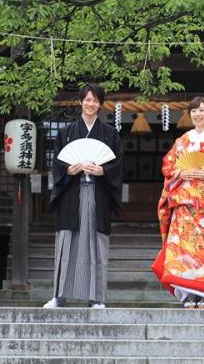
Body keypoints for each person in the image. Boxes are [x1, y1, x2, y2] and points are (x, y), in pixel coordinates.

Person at [43, 83, 123, 309]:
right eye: (87, 99)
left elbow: (117, 165)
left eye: (95, 100)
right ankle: (59, 296)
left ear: (100, 104)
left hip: (98, 195)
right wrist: (69, 170)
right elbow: (58, 164)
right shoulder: (65, 133)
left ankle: (97, 297)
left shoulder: (110, 134)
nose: (91, 104)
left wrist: (103, 171)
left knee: (96, 244)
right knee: (67, 241)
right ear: (80, 102)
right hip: (72, 194)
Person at [151, 96, 204, 308]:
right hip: (184, 204)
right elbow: (168, 167)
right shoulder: (182, 141)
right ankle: (188, 295)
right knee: (184, 250)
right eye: (194, 111)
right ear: (190, 115)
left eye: (201, 110)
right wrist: (181, 172)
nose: (197, 114)